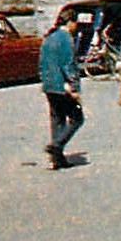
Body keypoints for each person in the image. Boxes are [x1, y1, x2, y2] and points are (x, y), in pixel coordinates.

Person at [40, 10, 84, 170]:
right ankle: (56, 146)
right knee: (77, 118)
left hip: (49, 85)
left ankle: (57, 159)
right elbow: (68, 64)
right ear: (70, 22)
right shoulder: (67, 39)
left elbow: (42, 64)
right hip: (62, 86)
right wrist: (74, 87)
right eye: (76, 23)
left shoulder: (48, 38)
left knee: (57, 120)